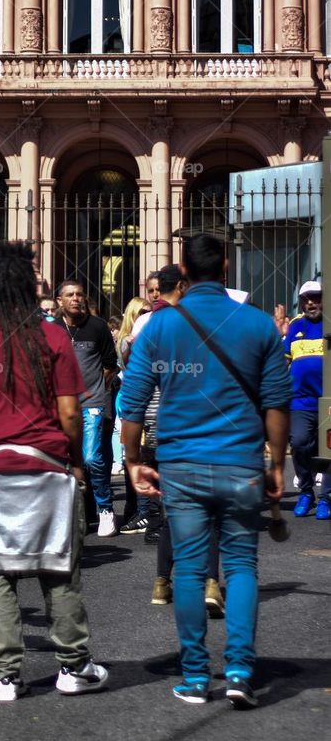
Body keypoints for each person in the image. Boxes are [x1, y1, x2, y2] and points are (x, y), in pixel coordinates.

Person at [120, 234, 292, 708]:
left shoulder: (158, 328)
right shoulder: (258, 325)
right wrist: (276, 463)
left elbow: (132, 402)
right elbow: (277, 401)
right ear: (226, 268)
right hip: (241, 463)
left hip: (181, 464)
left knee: (192, 573)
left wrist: (133, 460)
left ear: (182, 270)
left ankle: (196, 675)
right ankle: (239, 670)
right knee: (240, 567)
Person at [0, 242, 109, 703]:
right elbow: (70, 413)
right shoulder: (54, 337)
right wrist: (75, 459)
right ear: (28, 287)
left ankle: (6, 676)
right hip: (46, 464)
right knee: (58, 568)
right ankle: (73, 666)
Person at [54, 280, 119, 536]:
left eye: (80, 294)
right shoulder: (52, 329)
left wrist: (95, 389)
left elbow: (110, 364)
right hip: (60, 404)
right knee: (62, 460)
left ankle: (105, 508)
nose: (76, 298)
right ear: (60, 301)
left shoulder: (98, 326)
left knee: (91, 457)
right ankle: (72, 512)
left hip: (91, 403)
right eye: (70, 294)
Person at [284, 280, 330, 520]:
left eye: (315, 297)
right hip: (300, 401)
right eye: (306, 299)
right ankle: (305, 492)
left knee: (329, 450)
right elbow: (283, 360)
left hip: (328, 401)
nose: (311, 302)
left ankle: (326, 498)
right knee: (300, 443)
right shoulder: (295, 326)